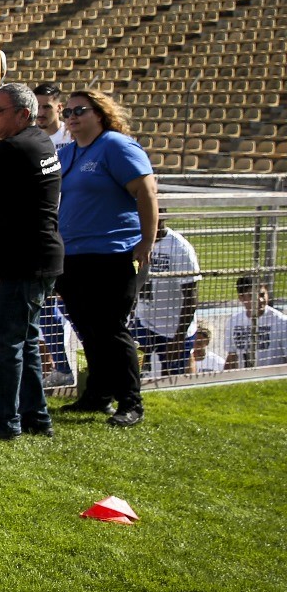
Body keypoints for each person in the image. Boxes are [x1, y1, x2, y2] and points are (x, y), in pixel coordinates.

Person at [56, 89, 157, 427]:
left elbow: (146, 190)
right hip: (74, 256)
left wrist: (146, 241)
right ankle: (97, 395)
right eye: (67, 111)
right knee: (88, 328)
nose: (72, 117)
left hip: (113, 254)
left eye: (79, 110)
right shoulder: (69, 153)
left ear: (99, 113)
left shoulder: (116, 146)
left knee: (111, 328)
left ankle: (131, 402)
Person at [0, 83, 63, 440]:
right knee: (24, 340)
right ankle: (36, 417)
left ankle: (5, 422)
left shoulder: (12, 149)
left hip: (28, 259)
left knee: (6, 343)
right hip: (36, 258)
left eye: (0, 111)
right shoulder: (41, 142)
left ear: (23, 115)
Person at [32, 81, 75, 387]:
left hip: (72, 232)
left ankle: (96, 364)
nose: (42, 113)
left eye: (47, 106)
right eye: (37, 108)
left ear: (60, 108)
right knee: (45, 305)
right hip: (43, 234)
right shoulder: (31, 140)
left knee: (76, 303)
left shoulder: (71, 138)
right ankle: (61, 367)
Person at [132, 217, 200, 376]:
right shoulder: (138, 240)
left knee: (173, 379)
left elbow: (191, 295)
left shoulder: (179, 247)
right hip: (145, 322)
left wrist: (178, 337)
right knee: (132, 368)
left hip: (174, 328)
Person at [224, 276, 287, 368]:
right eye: (252, 296)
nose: (260, 300)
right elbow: (232, 357)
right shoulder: (233, 321)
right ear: (241, 298)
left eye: (262, 294)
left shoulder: (282, 322)